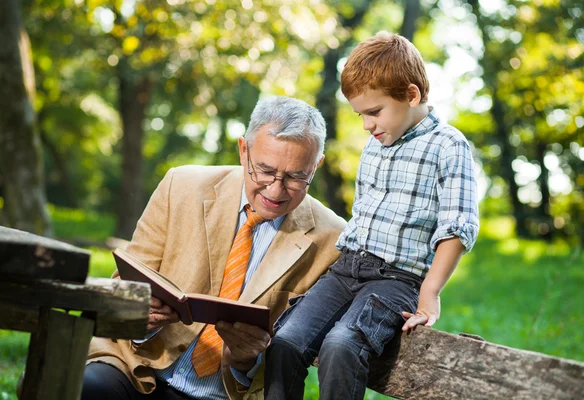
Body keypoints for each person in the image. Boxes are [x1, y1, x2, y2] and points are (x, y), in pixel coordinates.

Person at [82, 96, 345, 400]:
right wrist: (138, 314)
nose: (275, 189)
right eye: (264, 170)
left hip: (227, 393)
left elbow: (293, 353)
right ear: (243, 150)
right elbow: (121, 289)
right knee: (83, 390)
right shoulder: (180, 185)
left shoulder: (333, 238)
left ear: (316, 166)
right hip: (135, 368)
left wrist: (245, 360)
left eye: (296, 177)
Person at [264, 31, 480, 400]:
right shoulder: (375, 145)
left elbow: (458, 226)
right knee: (285, 342)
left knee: (342, 346)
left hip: (395, 281)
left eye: (374, 112)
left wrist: (430, 293)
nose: (366, 124)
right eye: (360, 115)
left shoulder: (448, 145)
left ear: (411, 95)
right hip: (346, 270)